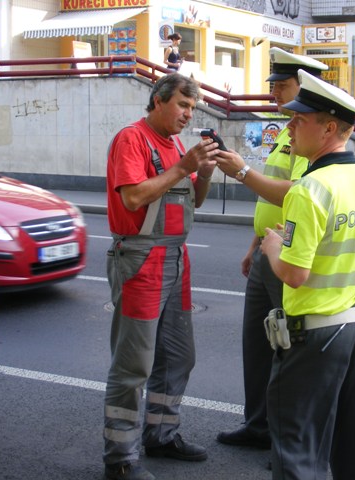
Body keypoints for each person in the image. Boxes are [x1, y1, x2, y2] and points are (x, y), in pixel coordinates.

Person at [259, 69, 355, 480]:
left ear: (329, 128)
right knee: (353, 449)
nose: (290, 125)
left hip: (315, 336)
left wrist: (273, 248)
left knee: (298, 450)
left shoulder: (309, 188)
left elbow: (294, 275)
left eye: (301, 119)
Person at [103, 73, 220, 480]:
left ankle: (161, 434)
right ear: (158, 100)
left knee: (177, 356)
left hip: (175, 258)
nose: (188, 114)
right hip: (140, 259)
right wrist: (182, 167)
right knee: (133, 364)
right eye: (183, 105)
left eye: (192, 108)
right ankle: (120, 459)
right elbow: (133, 196)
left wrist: (201, 171)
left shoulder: (174, 146)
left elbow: (195, 200)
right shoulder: (131, 139)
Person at [213, 48, 328, 452]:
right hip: (267, 249)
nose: (275, 93)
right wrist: (253, 245)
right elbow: (271, 202)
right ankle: (258, 424)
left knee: (287, 348)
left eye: (283, 86)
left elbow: (295, 194)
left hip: (287, 256)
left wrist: (243, 172)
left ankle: (286, 440)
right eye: (274, 86)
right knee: (257, 344)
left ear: (306, 87)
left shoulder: (308, 137)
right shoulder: (285, 132)